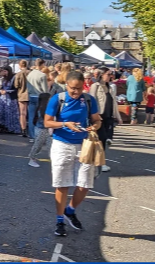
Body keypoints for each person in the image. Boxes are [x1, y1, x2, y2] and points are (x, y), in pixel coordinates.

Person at [43, 71, 101, 236]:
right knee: (62, 184)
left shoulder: (89, 99)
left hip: (84, 145)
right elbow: (47, 122)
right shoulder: (58, 99)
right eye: (72, 88)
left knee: (85, 184)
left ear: (84, 85)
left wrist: (94, 127)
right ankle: (59, 220)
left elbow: (97, 119)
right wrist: (64, 124)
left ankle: (70, 210)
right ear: (66, 85)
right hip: (62, 144)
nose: (75, 92)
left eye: (79, 88)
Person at [89, 67, 120, 172]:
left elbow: (114, 102)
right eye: (108, 74)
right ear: (102, 75)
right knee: (100, 139)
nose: (110, 76)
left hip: (109, 116)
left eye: (111, 74)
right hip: (99, 117)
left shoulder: (111, 87)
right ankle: (99, 163)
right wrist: (95, 115)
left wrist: (118, 116)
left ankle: (99, 162)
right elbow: (92, 101)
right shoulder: (95, 86)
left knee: (106, 140)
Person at [26, 59, 49, 143]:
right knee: (41, 117)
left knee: (31, 117)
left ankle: (32, 136)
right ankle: (40, 136)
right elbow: (45, 90)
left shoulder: (29, 74)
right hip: (40, 97)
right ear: (42, 64)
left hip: (31, 96)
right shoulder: (42, 75)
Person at [0, 66, 20, 134]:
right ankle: (3, 126)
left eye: (5, 71)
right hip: (3, 97)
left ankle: (12, 128)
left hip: (10, 98)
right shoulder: (3, 79)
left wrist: (7, 91)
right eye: (3, 71)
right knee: (1, 112)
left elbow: (16, 89)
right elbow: (1, 87)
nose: (4, 73)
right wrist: (0, 90)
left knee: (10, 113)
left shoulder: (13, 78)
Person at [13, 60, 31, 138]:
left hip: (22, 95)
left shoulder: (19, 74)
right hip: (31, 94)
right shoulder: (31, 73)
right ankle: (31, 130)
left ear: (20, 66)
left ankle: (23, 130)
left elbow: (16, 85)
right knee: (31, 113)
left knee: (22, 114)